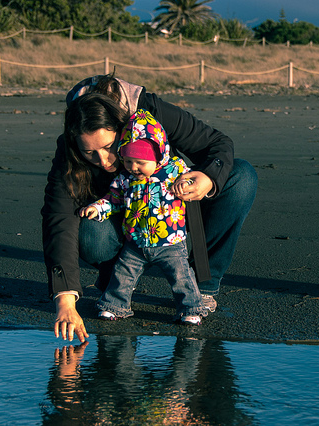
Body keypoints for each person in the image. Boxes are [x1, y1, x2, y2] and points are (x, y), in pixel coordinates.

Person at [42, 74, 258, 342]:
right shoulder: (69, 148)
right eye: (90, 153)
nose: (104, 160)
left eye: (109, 147)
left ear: (124, 127)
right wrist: (65, 302)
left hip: (172, 208)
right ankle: (117, 289)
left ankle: (204, 284)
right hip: (120, 218)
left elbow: (217, 143)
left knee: (240, 176)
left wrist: (207, 178)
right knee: (89, 229)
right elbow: (58, 218)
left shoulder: (150, 111)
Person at [79, 105, 207, 324]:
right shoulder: (125, 180)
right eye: (128, 161)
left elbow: (194, 181)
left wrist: (192, 184)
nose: (134, 167)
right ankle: (114, 304)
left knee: (181, 277)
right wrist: (98, 208)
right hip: (136, 241)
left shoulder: (174, 171)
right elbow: (114, 200)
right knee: (123, 274)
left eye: (141, 163)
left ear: (158, 156)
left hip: (171, 241)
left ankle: (191, 308)